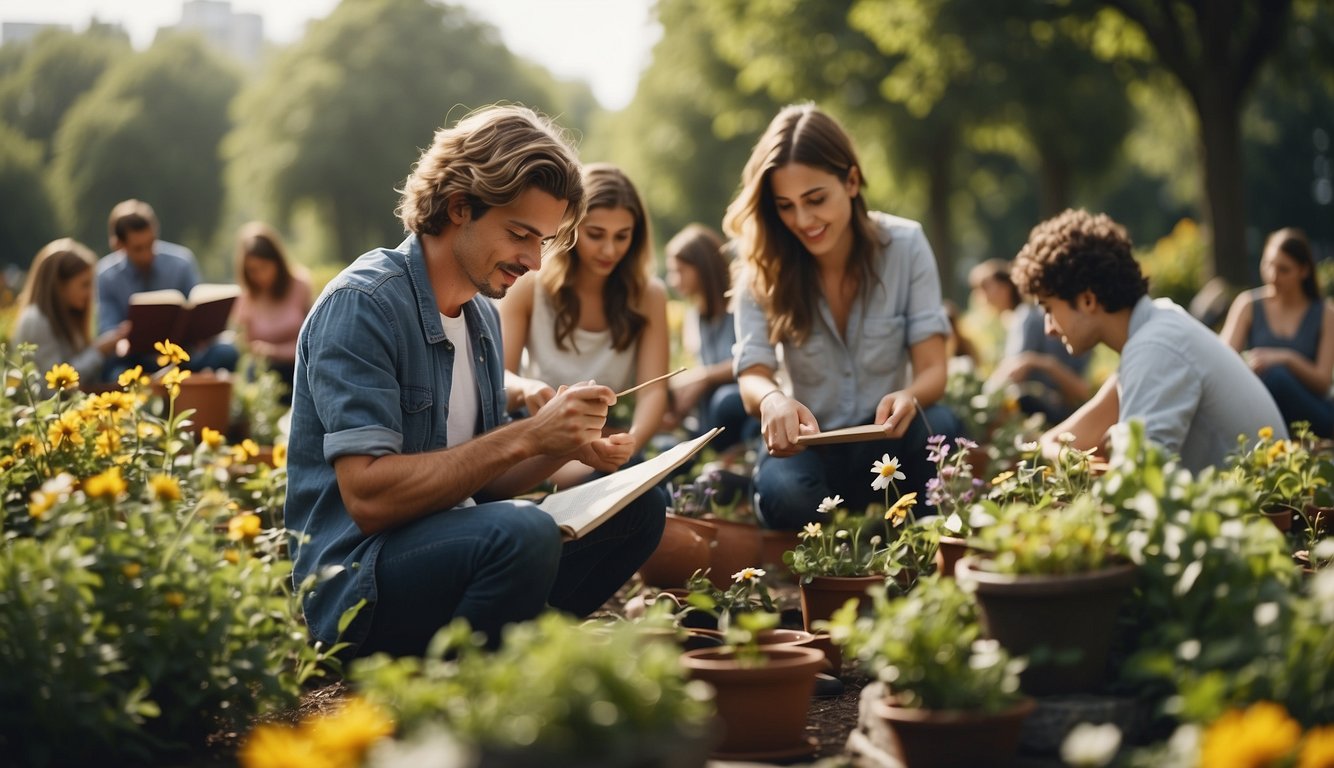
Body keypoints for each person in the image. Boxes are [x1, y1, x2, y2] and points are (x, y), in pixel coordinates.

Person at [284, 105, 666, 658]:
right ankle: (473, 684)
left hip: (453, 557)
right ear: (460, 206)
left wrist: (560, 444)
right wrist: (528, 436)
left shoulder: (480, 314)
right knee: (523, 533)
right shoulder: (363, 305)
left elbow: (482, 485)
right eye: (520, 234)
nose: (534, 261)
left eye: (545, 241)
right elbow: (368, 497)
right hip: (361, 585)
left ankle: (517, 654)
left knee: (638, 499)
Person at [724, 103, 961, 530]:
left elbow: (933, 370)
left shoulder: (905, 246)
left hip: (888, 444)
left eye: (816, 199)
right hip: (809, 447)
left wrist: (909, 396)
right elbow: (751, 374)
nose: (803, 220)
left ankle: (922, 543)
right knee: (788, 493)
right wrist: (774, 399)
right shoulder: (761, 266)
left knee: (939, 426)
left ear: (851, 181)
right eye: (785, 205)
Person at [1011, 208, 1287, 471]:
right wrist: (1042, 449)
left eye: (1049, 309)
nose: (1049, 328)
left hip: (1263, 513)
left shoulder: (1156, 348)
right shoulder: (1155, 326)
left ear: (1087, 299)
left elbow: (1134, 484)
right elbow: (1079, 433)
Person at [498, 163, 670, 489]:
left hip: (608, 439)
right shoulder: (529, 286)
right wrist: (526, 388)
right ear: (571, 227)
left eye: (622, 236)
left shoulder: (649, 295)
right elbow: (497, 380)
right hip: (538, 440)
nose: (610, 250)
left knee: (653, 471)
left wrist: (630, 443)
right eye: (595, 234)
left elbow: (653, 389)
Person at [96, 199, 238, 379]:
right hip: (135, 360)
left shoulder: (181, 262)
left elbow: (197, 308)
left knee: (226, 352)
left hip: (184, 356)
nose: (148, 254)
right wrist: (122, 333)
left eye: (151, 243)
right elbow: (107, 328)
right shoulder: (106, 275)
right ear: (118, 245)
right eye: (138, 248)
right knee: (114, 372)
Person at [1219, 227, 1334, 437]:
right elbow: (1222, 363)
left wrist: (1285, 358)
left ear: (1304, 271)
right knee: (1266, 381)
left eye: (1284, 269)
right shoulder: (1248, 305)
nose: (1273, 276)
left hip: (1315, 413)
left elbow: (1322, 382)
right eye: (1268, 264)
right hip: (1263, 406)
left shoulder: (1325, 313)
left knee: (1277, 377)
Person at [661, 223, 757, 453]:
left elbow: (753, 358)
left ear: (701, 267)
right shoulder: (695, 317)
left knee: (726, 399)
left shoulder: (740, 306)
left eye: (680, 270)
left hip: (743, 404)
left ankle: (748, 448)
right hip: (712, 414)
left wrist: (705, 377)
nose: (673, 280)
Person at [969, 258, 1090, 423]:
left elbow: (1015, 369)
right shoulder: (1017, 319)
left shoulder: (1026, 317)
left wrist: (984, 400)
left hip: (1049, 408)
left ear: (1005, 288)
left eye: (985, 288)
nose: (980, 297)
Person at [11, 238, 130, 382]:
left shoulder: (67, 316)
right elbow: (54, 386)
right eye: (84, 284)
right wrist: (98, 351)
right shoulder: (36, 320)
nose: (90, 293)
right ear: (59, 284)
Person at [230, 221, 313, 395]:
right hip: (265, 375)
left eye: (264, 267)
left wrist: (274, 351)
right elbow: (243, 345)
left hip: (300, 366)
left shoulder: (300, 285)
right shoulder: (247, 298)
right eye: (253, 270)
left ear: (277, 262)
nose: (260, 275)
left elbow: (314, 341)